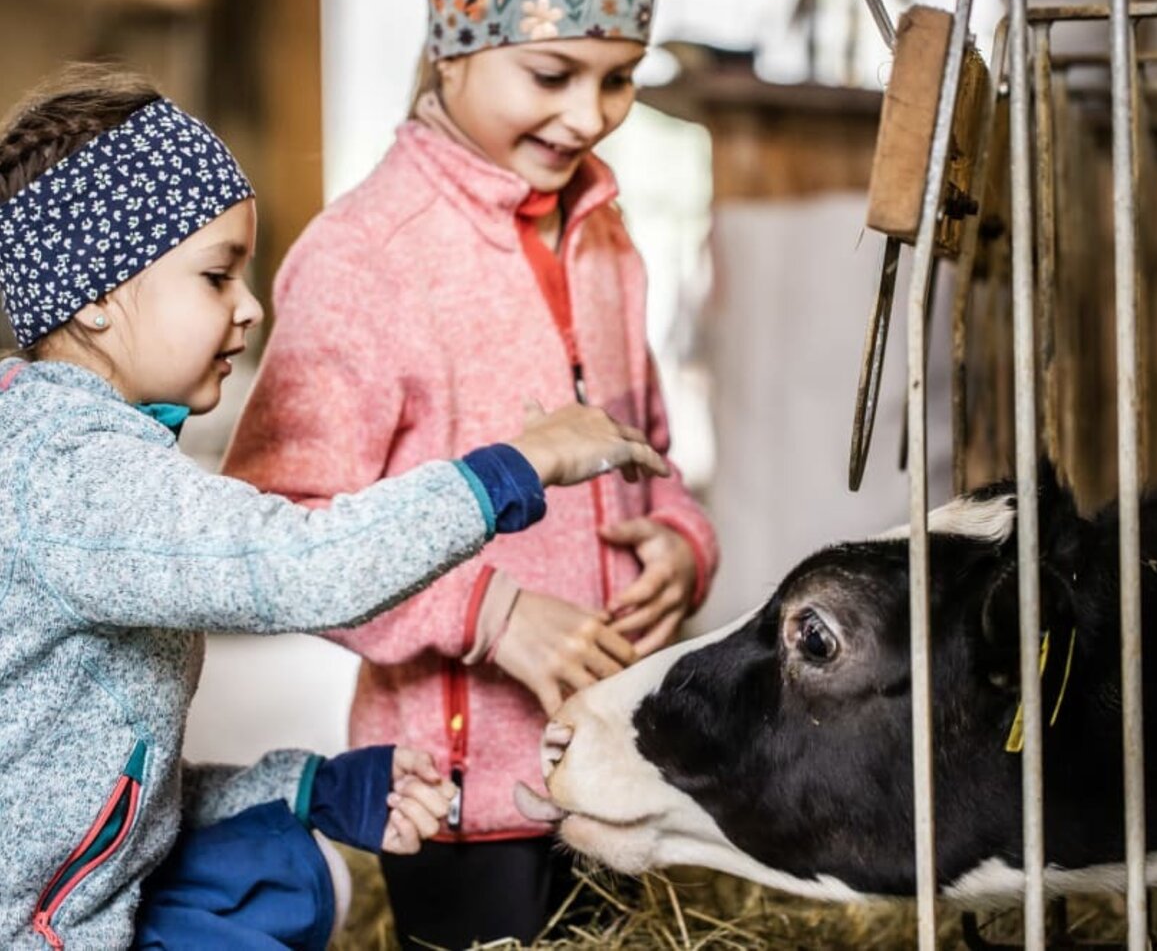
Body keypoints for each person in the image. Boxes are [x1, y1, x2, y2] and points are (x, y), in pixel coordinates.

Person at [0, 65, 666, 951]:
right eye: (215, 276)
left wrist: (304, 787)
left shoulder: (83, 454)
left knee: (275, 872)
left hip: (58, 895)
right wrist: (513, 468)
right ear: (96, 299)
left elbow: (90, 785)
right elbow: (300, 566)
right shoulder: (71, 472)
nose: (249, 307)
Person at [223, 0, 719, 945]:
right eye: (551, 72)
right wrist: (488, 613)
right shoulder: (363, 257)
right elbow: (277, 533)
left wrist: (680, 539)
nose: (589, 116)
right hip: (459, 795)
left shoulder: (605, 235)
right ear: (454, 46)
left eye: (619, 80)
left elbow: (642, 444)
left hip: (614, 747)